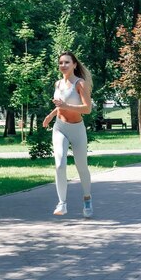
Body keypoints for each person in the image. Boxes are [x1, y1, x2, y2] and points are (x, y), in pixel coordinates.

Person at [42, 51, 94, 218]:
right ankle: (62, 203)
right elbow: (60, 105)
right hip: (60, 127)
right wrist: (50, 116)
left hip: (77, 129)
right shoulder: (58, 84)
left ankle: (87, 199)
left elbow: (87, 109)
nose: (63, 65)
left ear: (74, 65)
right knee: (59, 164)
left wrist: (65, 105)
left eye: (66, 62)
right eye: (61, 63)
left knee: (81, 167)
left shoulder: (80, 84)